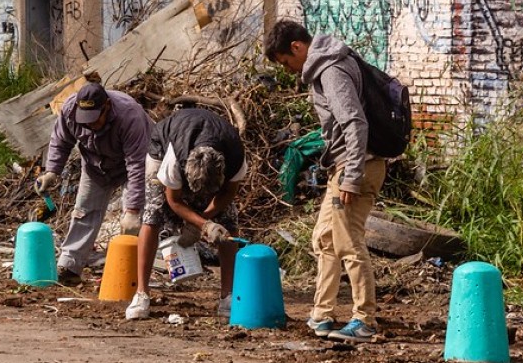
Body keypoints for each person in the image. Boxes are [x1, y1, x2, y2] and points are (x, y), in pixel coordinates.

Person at [264, 19, 387, 343]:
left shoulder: (331, 70)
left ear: (297, 47)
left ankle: (365, 320)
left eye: (286, 62)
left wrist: (351, 177)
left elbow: (355, 123)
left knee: (349, 242)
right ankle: (322, 314)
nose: (288, 69)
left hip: (356, 168)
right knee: (325, 237)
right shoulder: (327, 65)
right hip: (343, 168)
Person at [125, 108, 247, 321]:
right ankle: (141, 294)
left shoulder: (236, 156)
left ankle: (227, 296)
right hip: (163, 146)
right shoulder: (174, 159)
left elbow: (228, 193)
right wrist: (204, 225)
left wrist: (205, 220)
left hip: (210, 142)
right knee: (153, 214)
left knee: (229, 220)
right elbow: (173, 200)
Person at [35, 81, 151, 285]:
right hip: (95, 165)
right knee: (83, 212)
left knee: (134, 221)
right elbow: (61, 141)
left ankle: (129, 275)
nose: (89, 124)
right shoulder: (70, 110)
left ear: (107, 106)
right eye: (85, 119)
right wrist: (52, 172)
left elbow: (137, 165)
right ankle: (69, 266)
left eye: (94, 119)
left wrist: (133, 210)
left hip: (132, 166)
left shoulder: (129, 116)